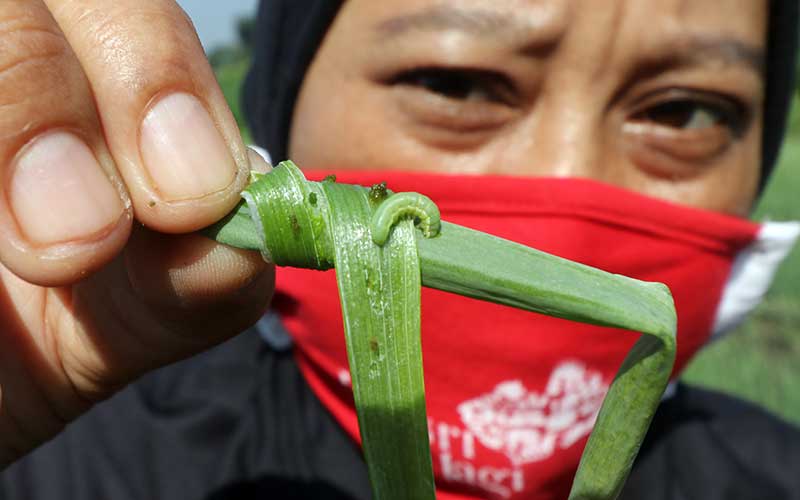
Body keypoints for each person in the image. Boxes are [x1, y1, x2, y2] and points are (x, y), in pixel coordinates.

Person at [0, 0, 798, 499]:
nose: (568, 181)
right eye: (455, 84)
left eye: (686, 112)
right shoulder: (73, 461)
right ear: (282, 115)